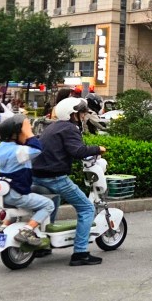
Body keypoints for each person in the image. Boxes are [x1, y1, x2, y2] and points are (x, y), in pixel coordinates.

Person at [32, 97, 106, 266]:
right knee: (87, 208)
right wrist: (98, 149)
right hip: (54, 177)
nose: (84, 116)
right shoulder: (70, 128)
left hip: (37, 176)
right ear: (72, 114)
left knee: (53, 200)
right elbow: (78, 151)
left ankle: (43, 245)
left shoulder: (53, 127)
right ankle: (80, 253)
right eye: (82, 113)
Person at [0, 115, 54, 246]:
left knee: (20, 204)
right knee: (48, 204)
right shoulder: (18, 151)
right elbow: (37, 150)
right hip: (16, 194)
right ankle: (26, 231)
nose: (28, 134)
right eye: (24, 132)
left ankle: (3, 227)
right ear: (15, 135)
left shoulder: (3, 148)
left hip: (5, 194)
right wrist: (29, 133)